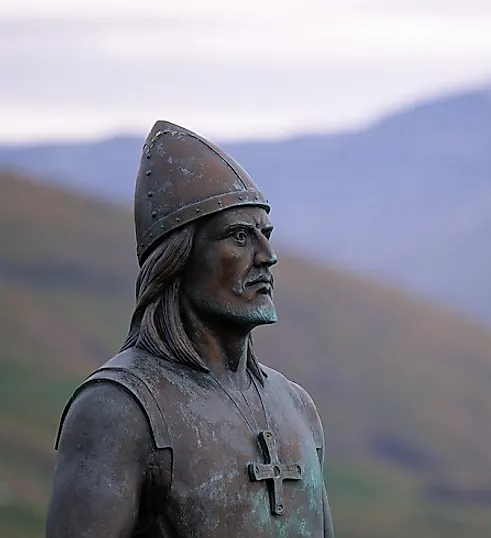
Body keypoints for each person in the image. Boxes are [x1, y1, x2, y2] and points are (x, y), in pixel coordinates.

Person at [46, 120, 335, 538]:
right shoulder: (118, 410)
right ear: (178, 258)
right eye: (239, 237)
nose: (267, 256)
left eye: (265, 235)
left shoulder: (297, 407)